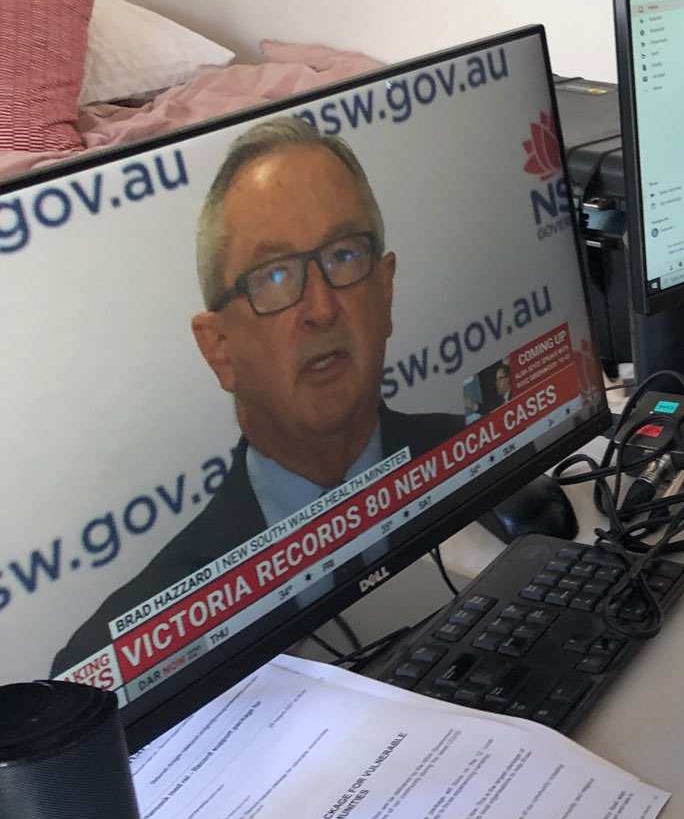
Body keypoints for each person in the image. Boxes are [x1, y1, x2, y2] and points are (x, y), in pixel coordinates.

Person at [53, 119, 465, 674]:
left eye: (344, 255)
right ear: (218, 348)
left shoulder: (476, 452)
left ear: (386, 290)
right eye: (274, 277)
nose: (322, 309)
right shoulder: (120, 649)